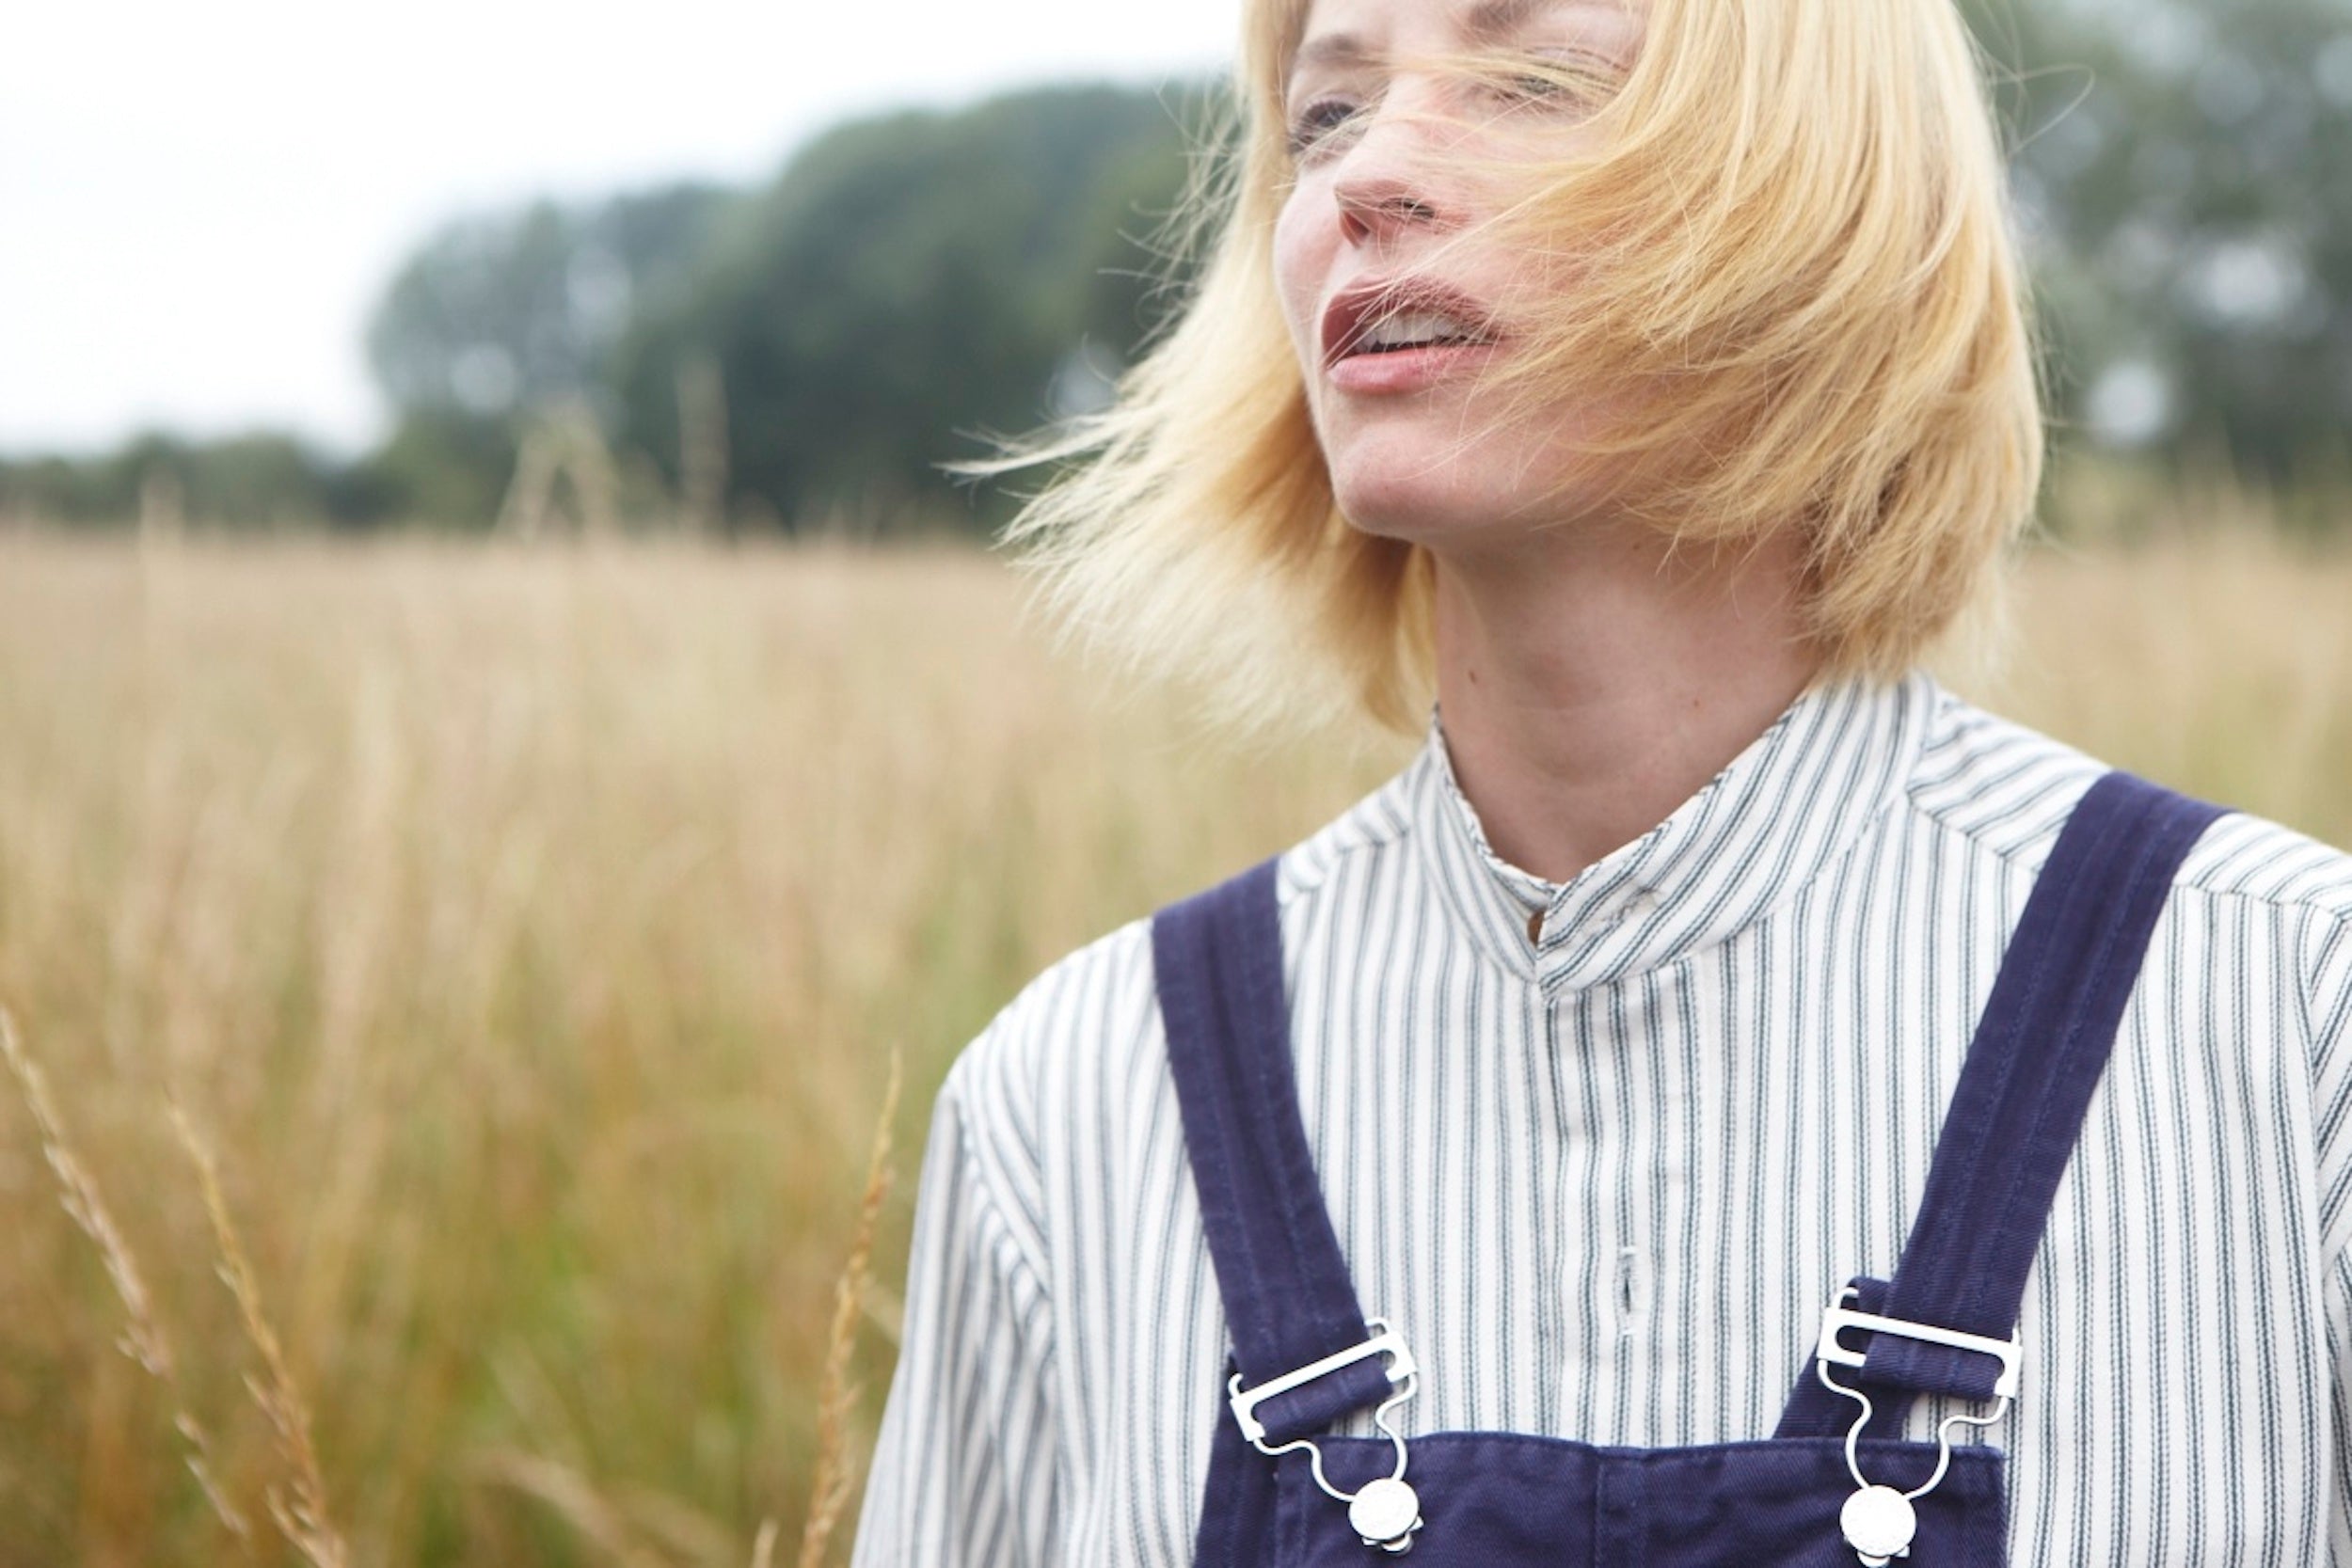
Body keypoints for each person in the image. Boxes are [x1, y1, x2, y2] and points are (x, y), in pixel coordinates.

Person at [852, 0, 2352, 1561]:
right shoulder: (1073, 1108)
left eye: (1533, 77)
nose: (1371, 178)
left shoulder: (2298, 1029)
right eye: (1328, 115)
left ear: (1829, 185)